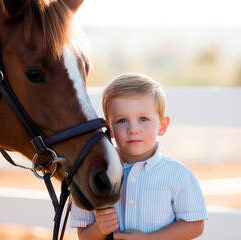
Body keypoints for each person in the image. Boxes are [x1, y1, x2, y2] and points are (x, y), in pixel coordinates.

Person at [70, 73, 208, 240]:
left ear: (162, 125)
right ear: (109, 128)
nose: (133, 129)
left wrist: (148, 239)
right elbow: (83, 236)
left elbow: (195, 225)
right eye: (122, 120)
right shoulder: (93, 176)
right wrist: (99, 229)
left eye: (143, 119)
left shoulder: (179, 175)